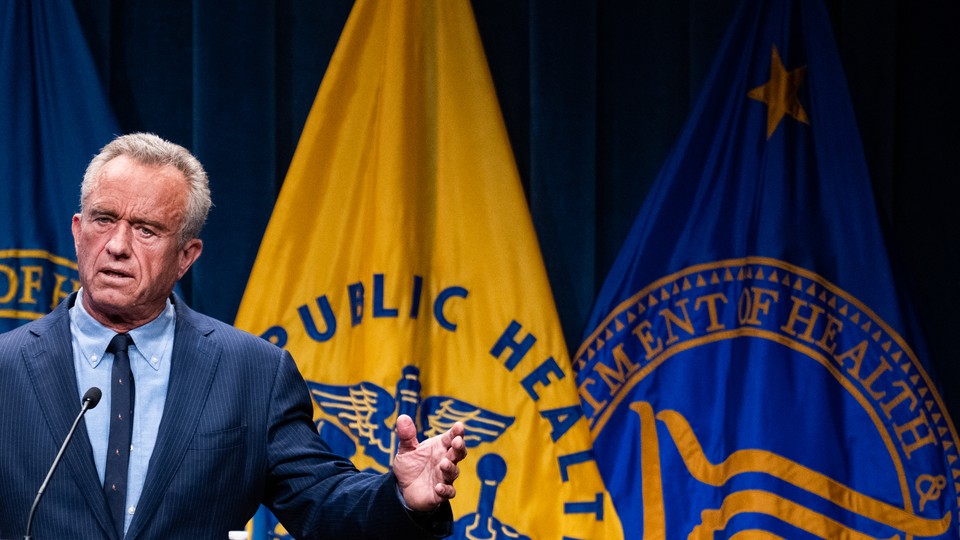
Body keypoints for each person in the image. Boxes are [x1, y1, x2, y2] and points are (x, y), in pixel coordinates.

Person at [0, 133, 466, 539]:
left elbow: (320, 500)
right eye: (104, 220)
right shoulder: (7, 368)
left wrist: (401, 496)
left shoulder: (253, 373)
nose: (118, 245)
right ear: (79, 231)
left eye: (146, 230)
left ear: (186, 256)